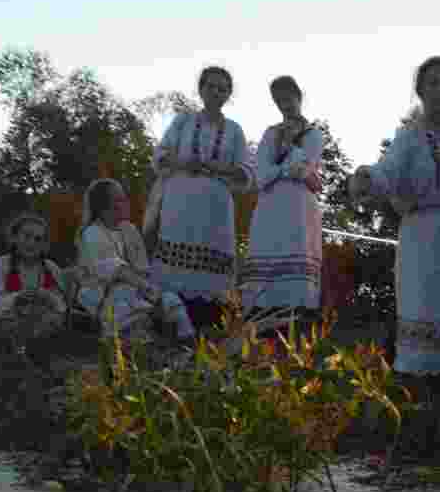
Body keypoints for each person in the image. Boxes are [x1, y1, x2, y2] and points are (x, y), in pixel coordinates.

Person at [349, 55, 440, 389]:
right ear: (420, 90)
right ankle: (415, 393)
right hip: (422, 234)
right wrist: (368, 179)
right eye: (433, 83)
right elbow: (389, 171)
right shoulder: (410, 136)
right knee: (424, 310)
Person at [145, 66, 255, 331]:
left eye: (222, 88)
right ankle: (171, 322)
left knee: (213, 269)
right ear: (201, 89)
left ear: (229, 94)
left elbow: (247, 172)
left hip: (215, 206)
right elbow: (160, 155)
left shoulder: (234, 130)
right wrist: (184, 162)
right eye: (211, 86)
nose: (216, 92)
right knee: (175, 262)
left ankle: (210, 327)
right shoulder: (183, 121)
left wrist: (219, 168)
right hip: (180, 201)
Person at [241, 76, 324, 331]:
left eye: (288, 98)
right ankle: (261, 325)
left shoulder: (314, 135)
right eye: (279, 100)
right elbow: (261, 175)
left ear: (299, 97)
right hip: (270, 208)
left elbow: (302, 167)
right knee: (266, 267)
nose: (285, 104)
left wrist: (289, 166)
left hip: (299, 209)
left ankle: (297, 326)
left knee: (297, 271)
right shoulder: (270, 133)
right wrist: (289, 166)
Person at [76, 178, 196, 346]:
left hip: (136, 289)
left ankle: (188, 348)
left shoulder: (129, 230)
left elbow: (143, 269)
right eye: (119, 199)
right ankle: (135, 348)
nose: (126, 202)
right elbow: (115, 270)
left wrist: (152, 292)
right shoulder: (92, 233)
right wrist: (147, 289)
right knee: (130, 309)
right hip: (102, 292)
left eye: (124, 198)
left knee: (171, 301)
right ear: (104, 207)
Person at [0, 212, 68, 341]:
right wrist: (18, 297)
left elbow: (62, 307)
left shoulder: (50, 268)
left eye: (38, 239)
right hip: (8, 324)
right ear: (14, 238)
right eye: (27, 236)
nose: (31, 243)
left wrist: (47, 297)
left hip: (42, 325)